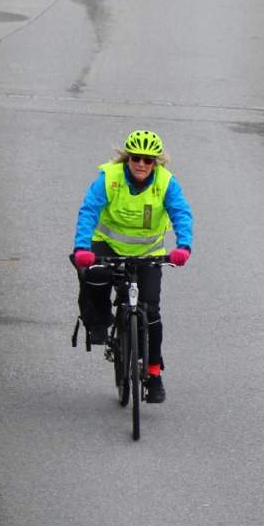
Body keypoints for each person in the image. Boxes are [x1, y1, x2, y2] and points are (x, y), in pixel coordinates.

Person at [71, 129, 194, 404]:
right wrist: (82, 248)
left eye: (148, 160)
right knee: (96, 277)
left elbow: (181, 212)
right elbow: (88, 211)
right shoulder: (109, 178)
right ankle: (100, 322)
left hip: (148, 252)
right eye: (136, 158)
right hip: (107, 245)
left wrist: (184, 246)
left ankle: (153, 374)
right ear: (127, 158)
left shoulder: (166, 183)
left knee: (151, 311)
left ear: (156, 163)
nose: (141, 164)